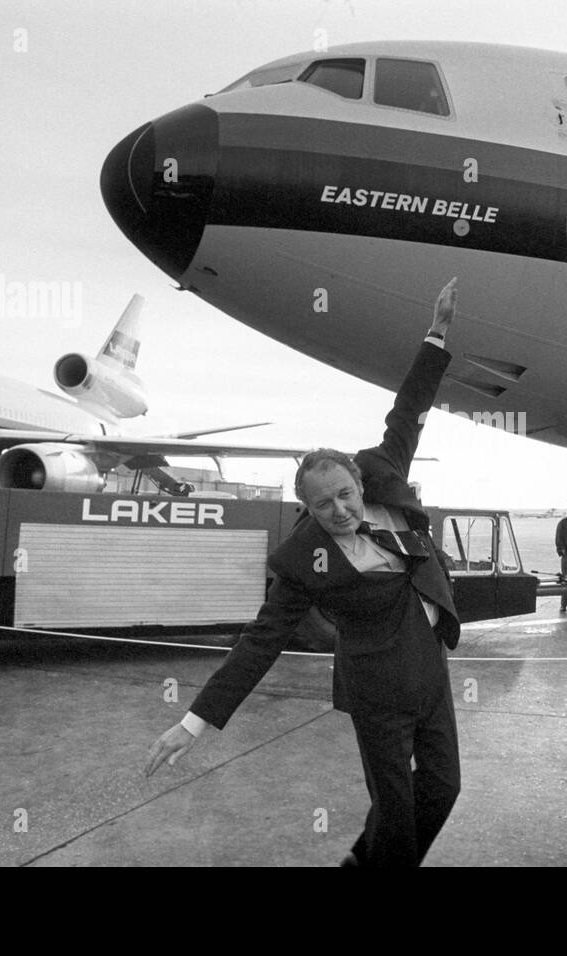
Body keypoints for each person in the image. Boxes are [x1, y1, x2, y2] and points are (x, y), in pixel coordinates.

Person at [145, 278, 462, 867]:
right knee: (394, 814)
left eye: (344, 496)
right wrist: (194, 723)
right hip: (378, 692)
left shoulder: (383, 470)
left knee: (443, 788)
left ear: (359, 483)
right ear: (309, 510)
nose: (340, 512)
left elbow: (409, 408)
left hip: (431, 670)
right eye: (324, 506)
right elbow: (261, 641)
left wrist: (436, 332)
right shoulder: (302, 559)